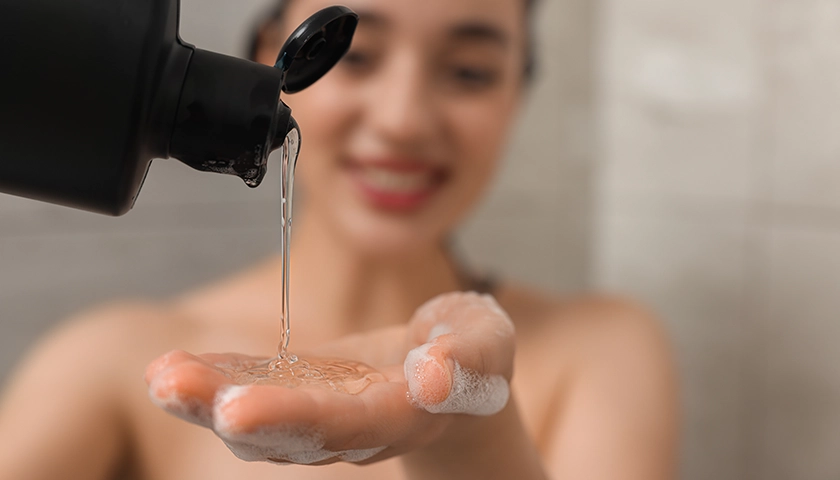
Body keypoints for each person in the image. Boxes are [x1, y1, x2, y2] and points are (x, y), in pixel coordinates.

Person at [0, 0, 678, 478]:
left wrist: (473, 437)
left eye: (469, 71)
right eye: (356, 58)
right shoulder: (111, 363)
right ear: (268, 55)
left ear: (515, 96)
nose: (403, 120)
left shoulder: (601, 348)